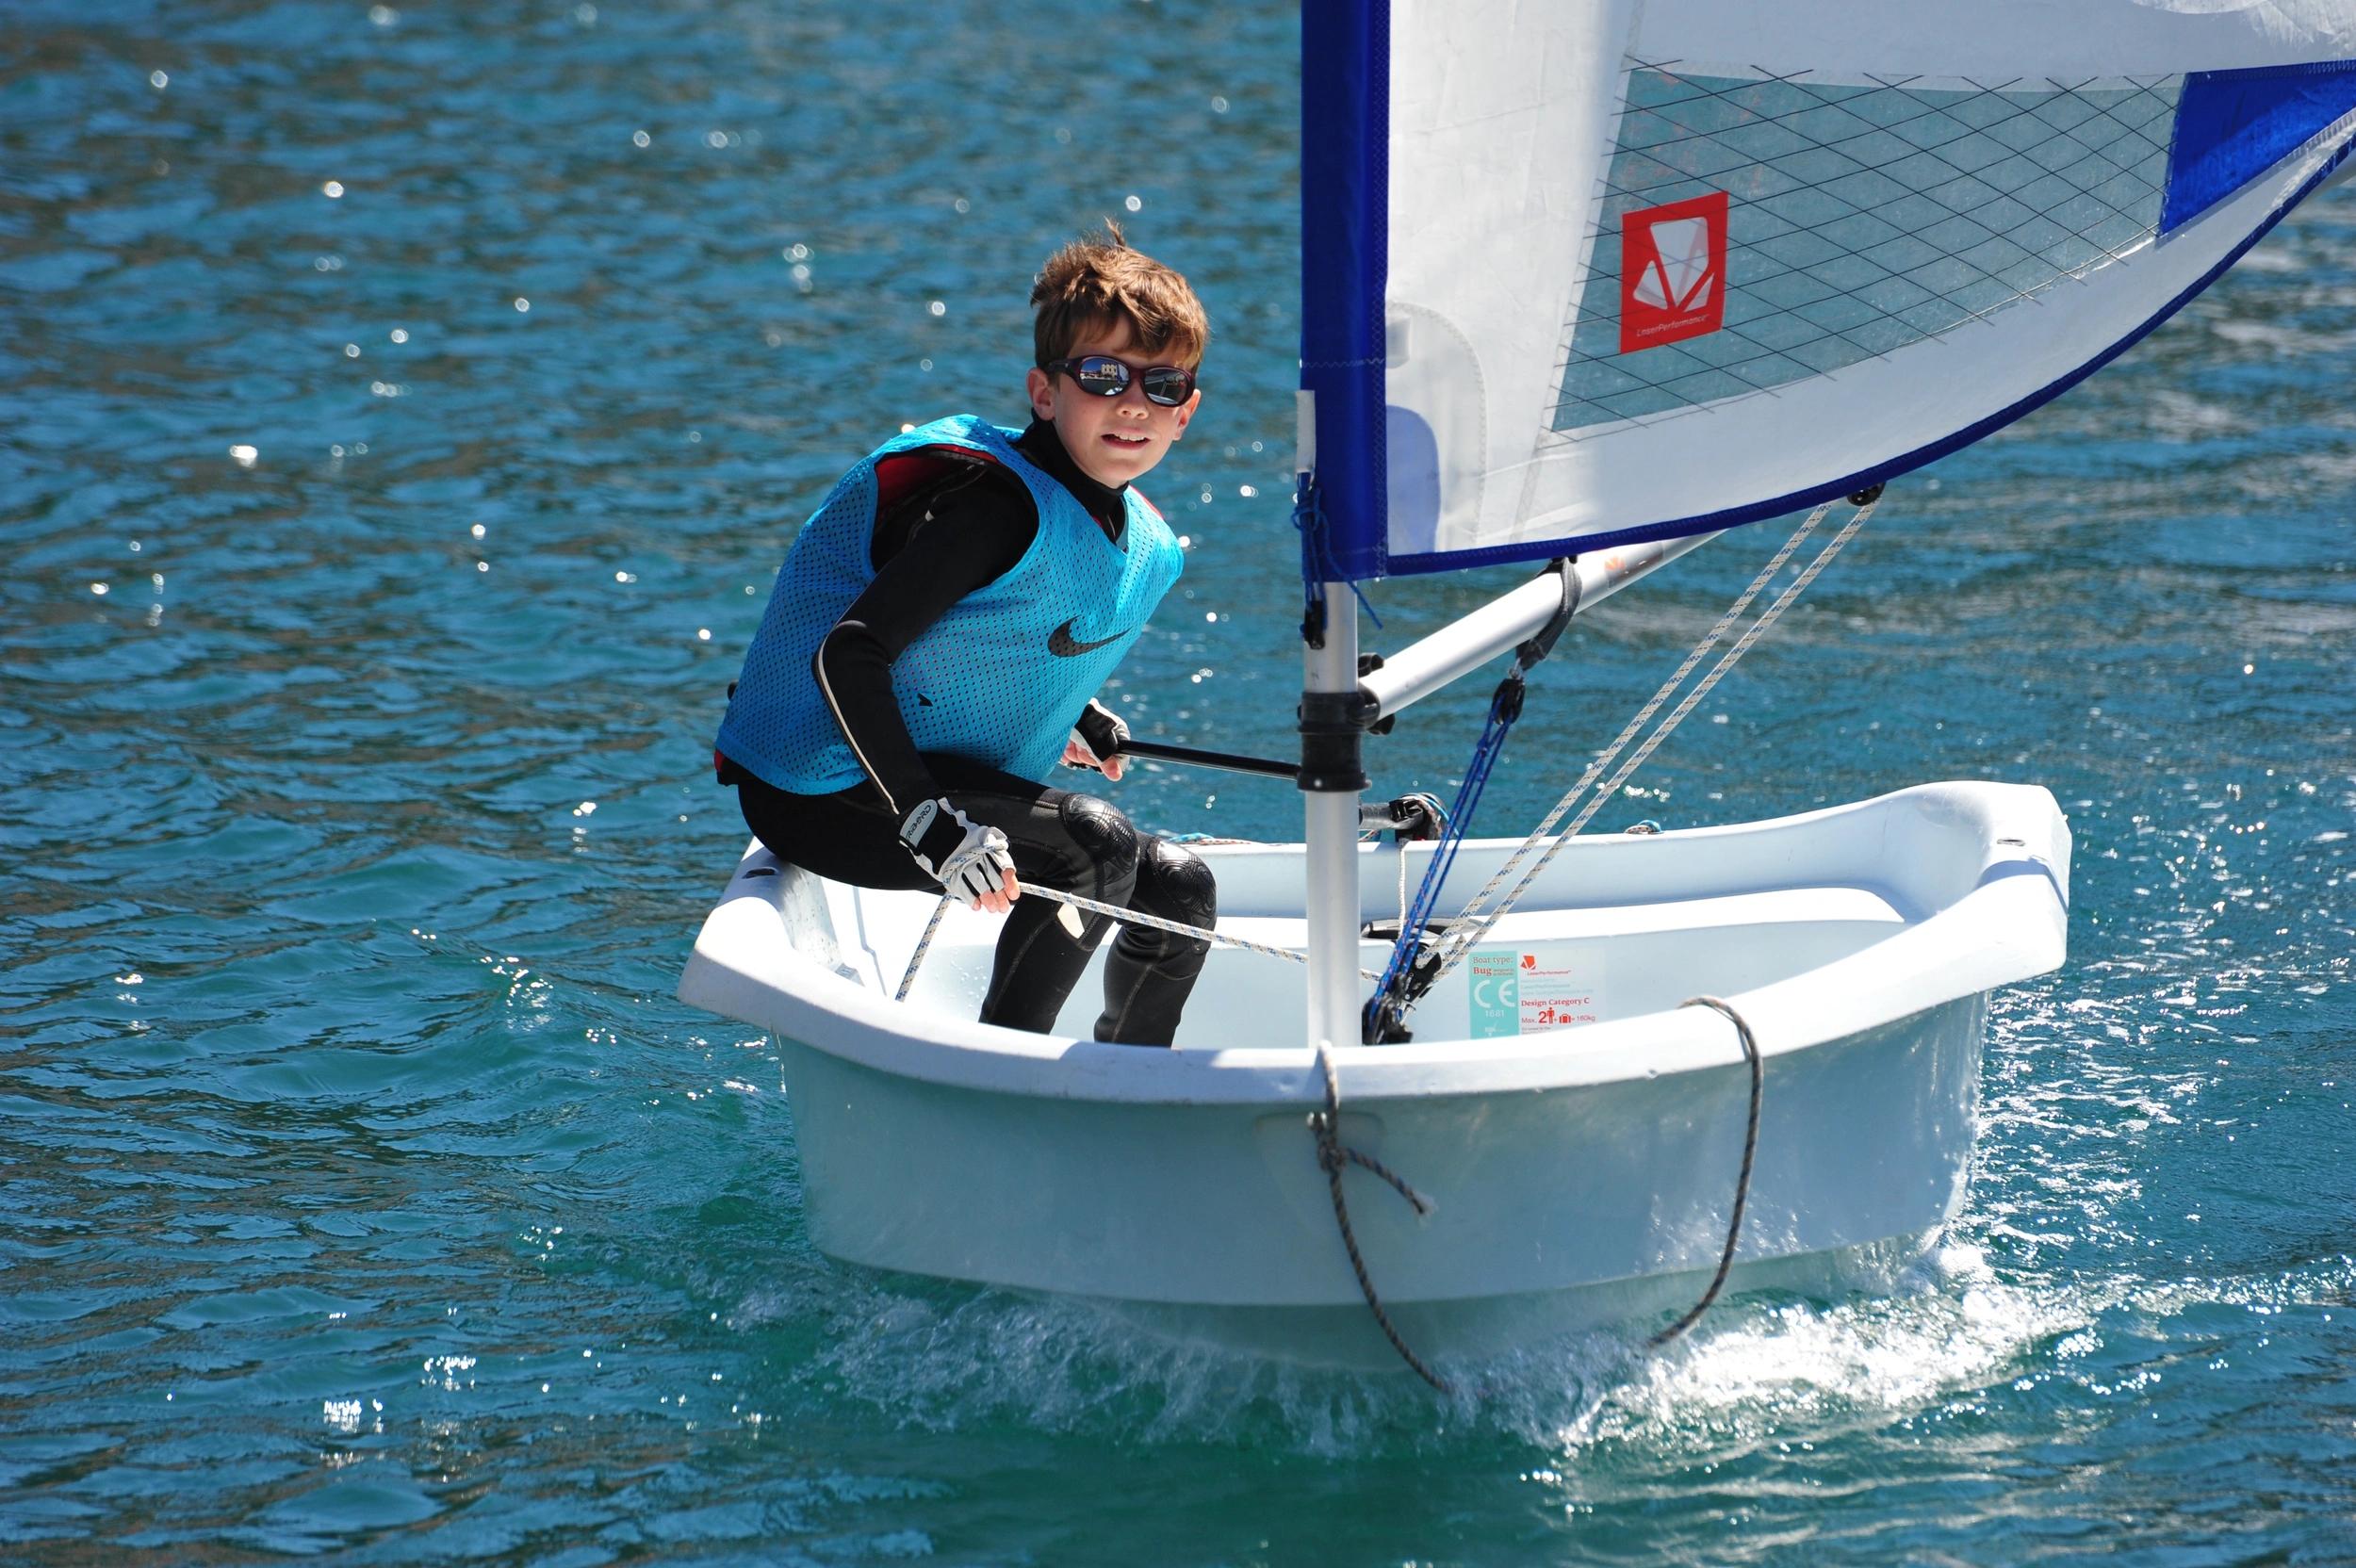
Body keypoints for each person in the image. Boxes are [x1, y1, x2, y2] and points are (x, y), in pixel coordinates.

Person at [712, 222, 1217, 1047]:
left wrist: (1075, 710)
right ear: (1045, 393)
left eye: (1162, 385)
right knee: (1095, 844)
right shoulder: (994, 508)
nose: (1133, 403)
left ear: (1186, 412)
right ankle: (1006, 1069)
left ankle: (1136, 1081)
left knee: (1181, 887)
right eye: (1102, 375)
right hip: (826, 792)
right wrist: (928, 824)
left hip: (913, 782)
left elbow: (991, 635)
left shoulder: (1134, 535)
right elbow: (850, 652)